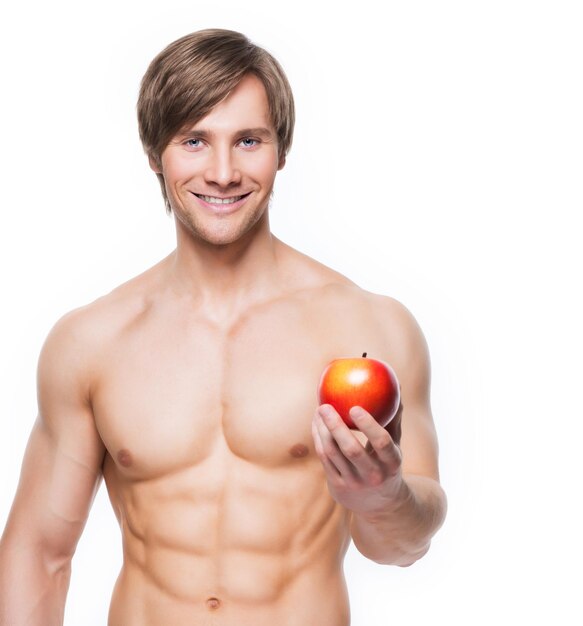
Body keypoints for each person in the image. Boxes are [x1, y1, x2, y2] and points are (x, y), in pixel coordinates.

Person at [0, 28, 447, 626]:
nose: (222, 171)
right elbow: (40, 553)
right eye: (194, 141)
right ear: (155, 153)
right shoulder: (91, 342)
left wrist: (383, 498)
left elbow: (401, 546)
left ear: (281, 150)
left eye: (248, 140)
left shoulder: (368, 327)